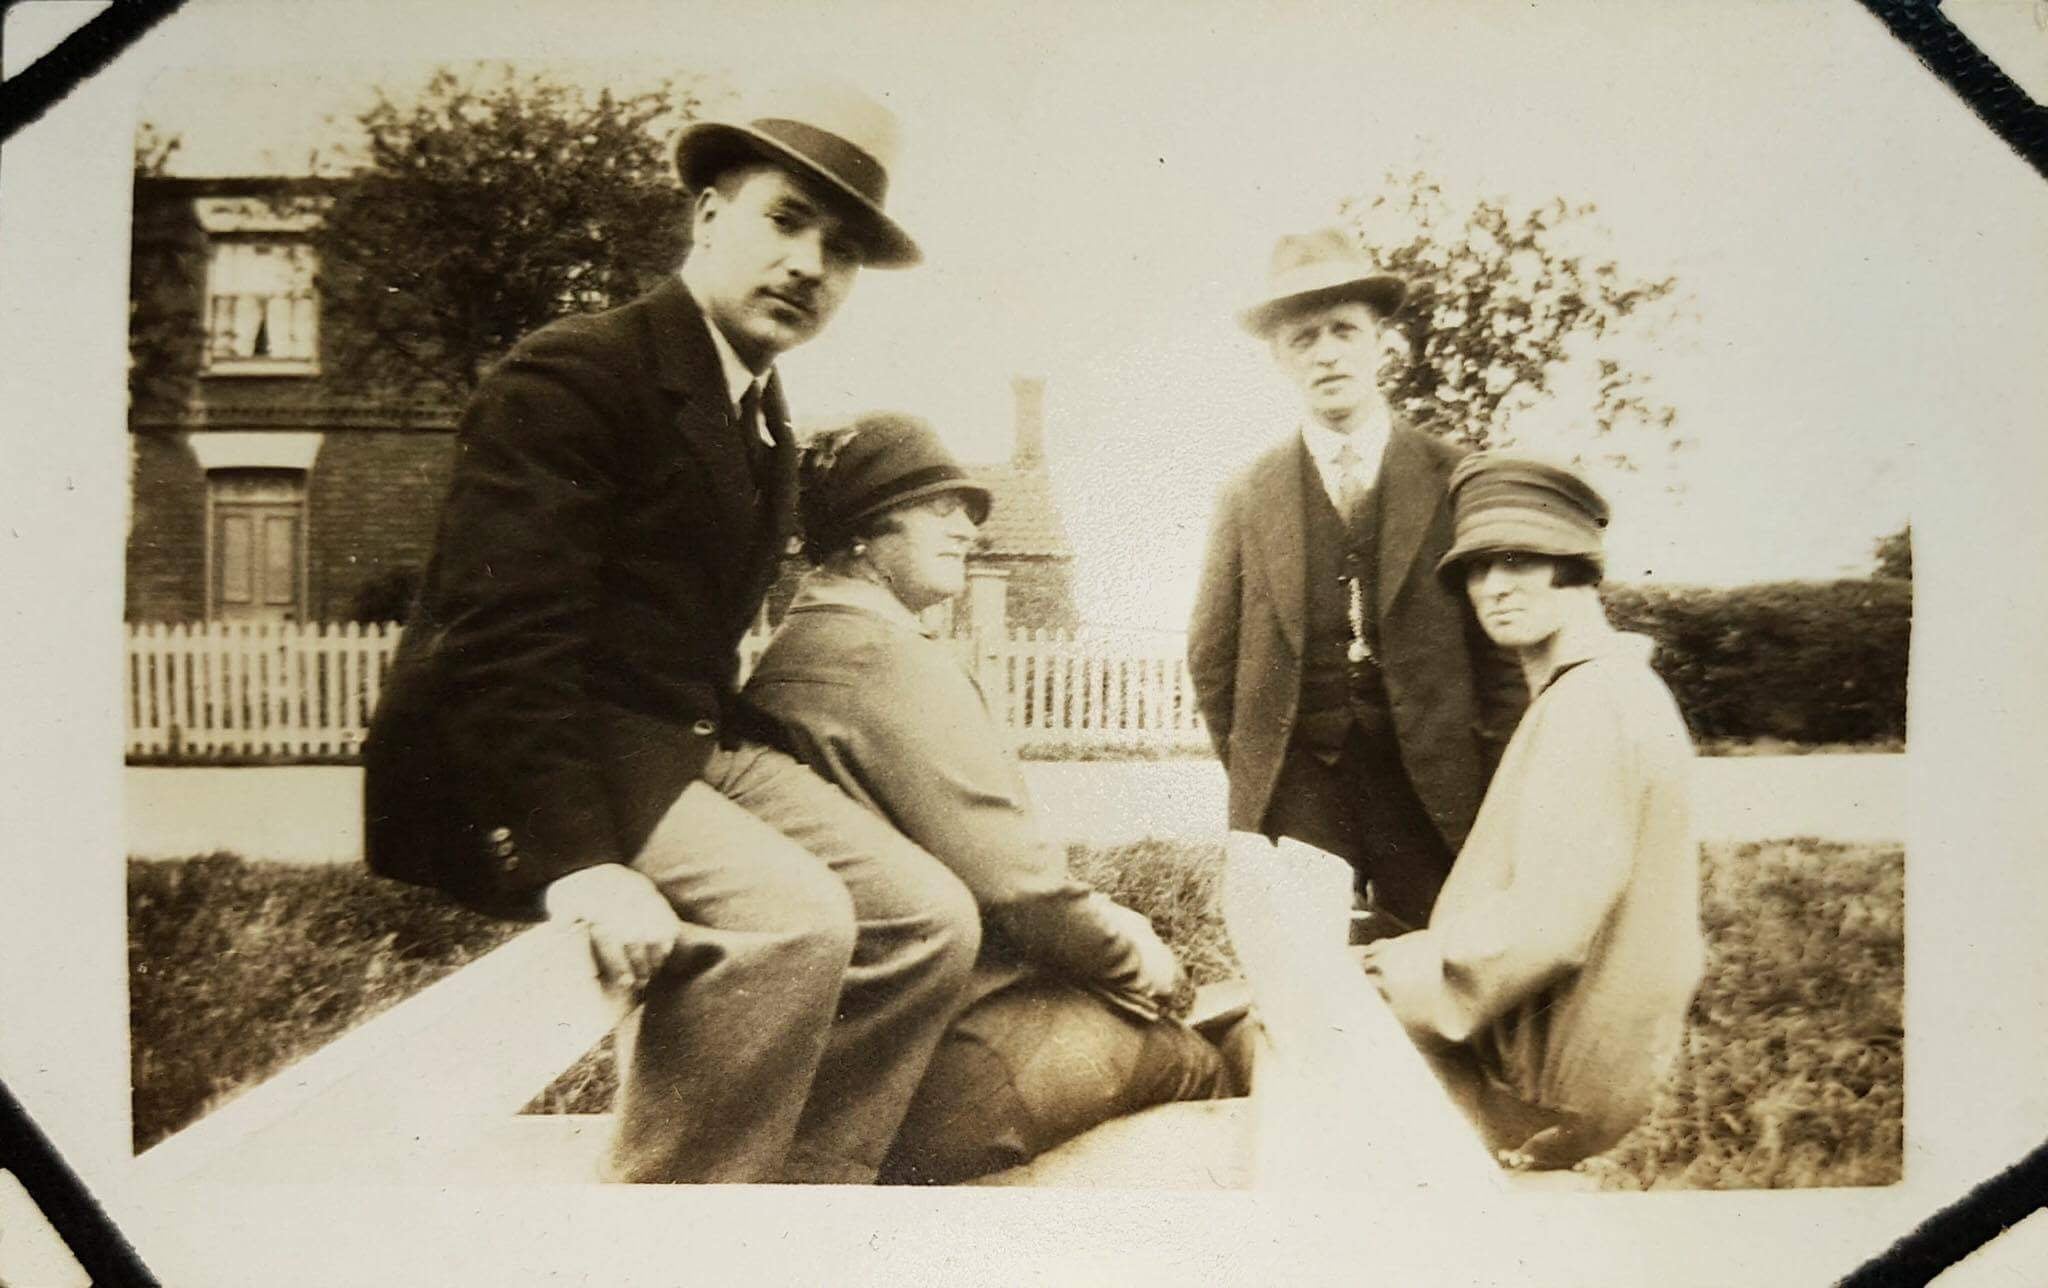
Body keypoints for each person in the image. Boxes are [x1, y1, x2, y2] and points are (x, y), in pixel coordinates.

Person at [361, 78, 986, 1185]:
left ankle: (790, 1206)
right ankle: (660, 1235)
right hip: (531, 754)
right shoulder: (580, 371)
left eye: (839, 251)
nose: (807, 266)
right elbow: (500, 638)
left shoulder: (762, 416)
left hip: (676, 741)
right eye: (785, 220)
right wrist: (582, 864)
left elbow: (690, 648)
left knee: (927, 920)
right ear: (707, 215)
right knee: (794, 923)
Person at [743, 414, 1231, 1183]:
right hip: (951, 1060)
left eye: (968, 509)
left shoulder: (793, 653)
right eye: (937, 506)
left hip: (846, 1064)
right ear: (865, 530)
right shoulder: (887, 659)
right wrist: (1139, 959)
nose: (966, 527)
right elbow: (1021, 887)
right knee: (1202, 1065)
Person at [1360, 455, 1704, 1171]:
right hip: (1570, 1078)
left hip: (1537, 1099)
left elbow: (1548, 927)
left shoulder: (1591, 705)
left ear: (1578, 568)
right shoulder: (1601, 687)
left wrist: (1387, 974)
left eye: (1523, 560)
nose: (1494, 587)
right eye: (1478, 568)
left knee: (1277, 1032)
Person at [1188, 227, 1526, 931]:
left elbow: (1501, 653)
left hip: (1431, 783)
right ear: (1280, 359)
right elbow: (1213, 659)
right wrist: (1264, 776)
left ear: (1382, 345)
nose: (1327, 353)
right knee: (1309, 980)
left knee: (1442, 962)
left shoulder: (1456, 477)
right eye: (1303, 338)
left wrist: (1486, 774)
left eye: (1344, 330)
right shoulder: (1246, 493)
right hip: (1299, 785)